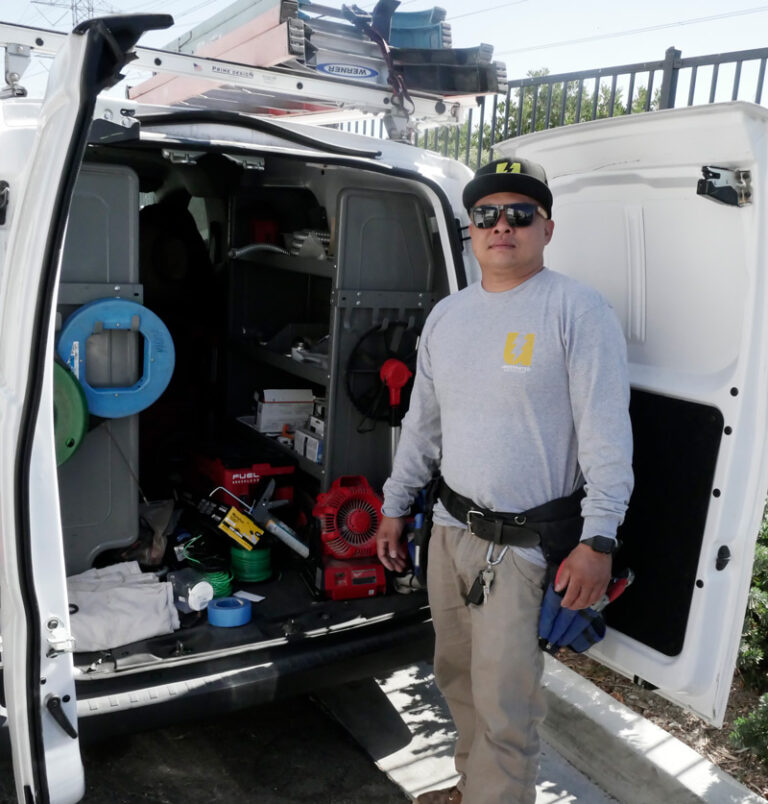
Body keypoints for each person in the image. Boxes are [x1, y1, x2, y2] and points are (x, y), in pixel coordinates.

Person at [375, 157, 634, 804]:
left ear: (547, 228)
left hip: (521, 552)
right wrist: (395, 505)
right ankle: (473, 790)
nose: (502, 226)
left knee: (506, 709)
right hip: (448, 532)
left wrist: (598, 539)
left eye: (520, 213)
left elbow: (607, 436)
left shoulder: (578, 312)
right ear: (471, 230)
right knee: (457, 680)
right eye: (487, 214)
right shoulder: (448, 317)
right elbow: (422, 426)